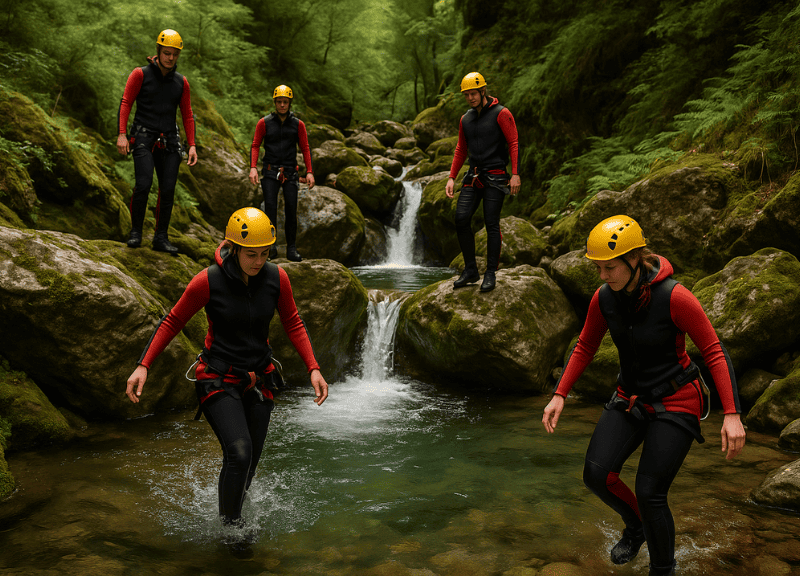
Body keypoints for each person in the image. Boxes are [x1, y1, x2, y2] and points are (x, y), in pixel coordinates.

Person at [541, 215, 746, 576]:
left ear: (635, 259)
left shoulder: (675, 297)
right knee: (596, 474)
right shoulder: (604, 298)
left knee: (651, 492)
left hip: (678, 399)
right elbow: (586, 345)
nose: (603, 276)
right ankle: (636, 528)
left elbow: (714, 350)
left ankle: (663, 569)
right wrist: (560, 394)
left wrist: (732, 414)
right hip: (631, 397)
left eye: (610, 268)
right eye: (599, 268)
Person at [125, 207, 328, 529]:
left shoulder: (277, 278)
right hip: (218, 378)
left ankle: (231, 508)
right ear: (232, 247)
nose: (259, 262)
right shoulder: (208, 281)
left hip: (260, 379)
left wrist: (313, 368)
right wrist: (143, 365)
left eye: (265, 254)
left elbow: (293, 322)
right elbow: (173, 321)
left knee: (249, 463)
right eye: (251, 254)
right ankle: (231, 529)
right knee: (240, 452)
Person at [117, 28, 198, 255]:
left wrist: (191, 145)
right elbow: (126, 103)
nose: (170, 58)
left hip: (170, 141)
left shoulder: (182, 83)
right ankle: (136, 233)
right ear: (158, 51)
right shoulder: (140, 74)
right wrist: (122, 134)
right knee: (143, 184)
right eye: (166, 53)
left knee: (168, 189)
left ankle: (161, 237)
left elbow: (187, 114)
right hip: (143, 137)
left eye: (174, 54)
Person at [445, 72, 521, 293]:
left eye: (474, 93)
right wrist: (451, 177)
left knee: (491, 223)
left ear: (483, 91)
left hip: (496, 176)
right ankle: (470, 270)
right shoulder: (465, 119)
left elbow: (513, 142)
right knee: (461, 218)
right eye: (467, 95)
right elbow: (461, 149)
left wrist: (514, 174)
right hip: (474, 175)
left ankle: (490, 273)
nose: (470, 98)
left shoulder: (501, 113)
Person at [249, 85, 315, 262]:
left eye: (285, 102)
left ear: (290, 103)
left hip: (291, 173)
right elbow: (255, 145)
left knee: (291, 210)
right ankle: (271, 246)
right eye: (279, 102)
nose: (282, 105)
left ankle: (292, 249)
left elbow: (305, 148)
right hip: (270, 171)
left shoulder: (298, 125)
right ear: (275, 102)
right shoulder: (264, 123)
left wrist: (309, 172)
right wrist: (253, 167)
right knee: (270, 208)